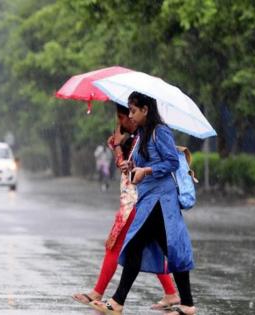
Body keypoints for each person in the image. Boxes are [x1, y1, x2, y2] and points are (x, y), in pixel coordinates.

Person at [91, 92, 197, 315]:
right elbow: (144, 161)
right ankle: (186, 304)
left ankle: (118, 301)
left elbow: (170, 163)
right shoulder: (141, 134)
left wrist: (147, 170)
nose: (130, 115)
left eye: (133, 110)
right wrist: (131, 166)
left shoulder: (161, 132)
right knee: (170, 250)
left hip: (160, 202)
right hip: (148, 199)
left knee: (136, 246)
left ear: (146, 110)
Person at [73, 103, 180, 310]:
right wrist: (117, 146)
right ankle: (171, 293)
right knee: (147, 247)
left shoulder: (144, 138)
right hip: (135, 201)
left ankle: (106, 295)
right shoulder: (137, 137)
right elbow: (125, 167)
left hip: (136, 202)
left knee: (118, 246)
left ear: (138, 114)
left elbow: (130, 171)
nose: (122, 121)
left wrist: (118, 147)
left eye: (126, 115)